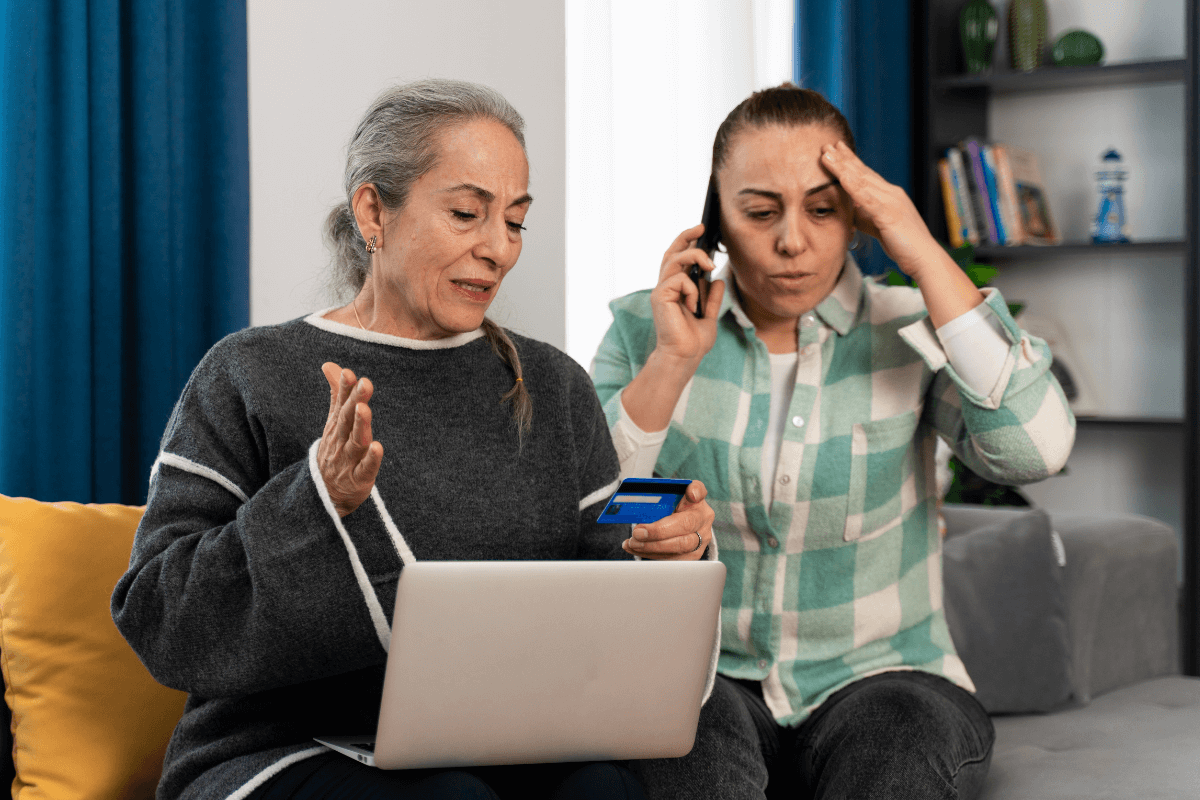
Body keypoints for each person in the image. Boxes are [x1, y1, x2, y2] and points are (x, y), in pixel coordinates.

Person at [111, 79, 716, 800]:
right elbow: (159, 614)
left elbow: (603, 560)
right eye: (467, 214)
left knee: (604, 789)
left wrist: (670, 544)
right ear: (374, 211)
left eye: (516, 222)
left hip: (513, 746)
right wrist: (315, 503)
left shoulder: (553, 385)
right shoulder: (248, 372)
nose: (498, 249)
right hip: (284, 749)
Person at [590, 83, 1075, 799]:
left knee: (895, 746)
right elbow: (590, 512)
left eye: (822, 209)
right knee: (688, 750)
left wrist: (921, 252)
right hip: (704, 674)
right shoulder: (647, 331)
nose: (792, 240)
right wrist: (670, 365)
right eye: (759, 212)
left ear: (856, 217)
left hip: (887, 677)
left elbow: (1038, 449)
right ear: (713, 221)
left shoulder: (914, 326)